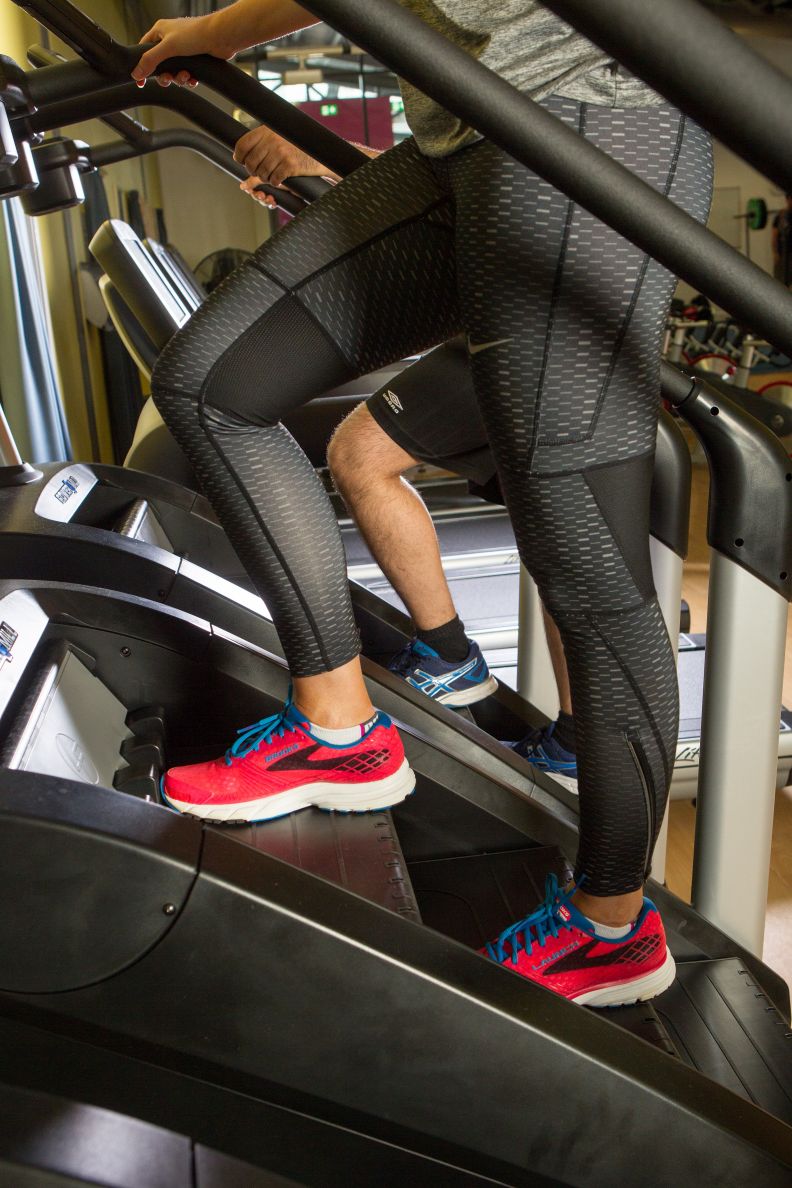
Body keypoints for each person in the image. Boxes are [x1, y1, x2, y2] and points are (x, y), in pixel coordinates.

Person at [132, 0, 713, 1007]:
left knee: (582, 556)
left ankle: (611, 925)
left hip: (585, 110)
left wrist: (224, 27)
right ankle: (340, 725)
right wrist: (225, 32)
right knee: (211, 381)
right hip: (461, 130)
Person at [242, 130, 578, 782]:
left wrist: (321, 156)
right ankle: (574, 741)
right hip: (519, 322)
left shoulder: (510, 67)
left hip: (532, 325)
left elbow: (466, 184)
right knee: (556, 541)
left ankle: (450, 656)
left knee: (360, 452)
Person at [772, 193, 792, 286]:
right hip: (782, 255)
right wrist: (775, 253)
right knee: (781, 284)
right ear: (787, 200)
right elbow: (774, 236)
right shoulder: (780, 217)